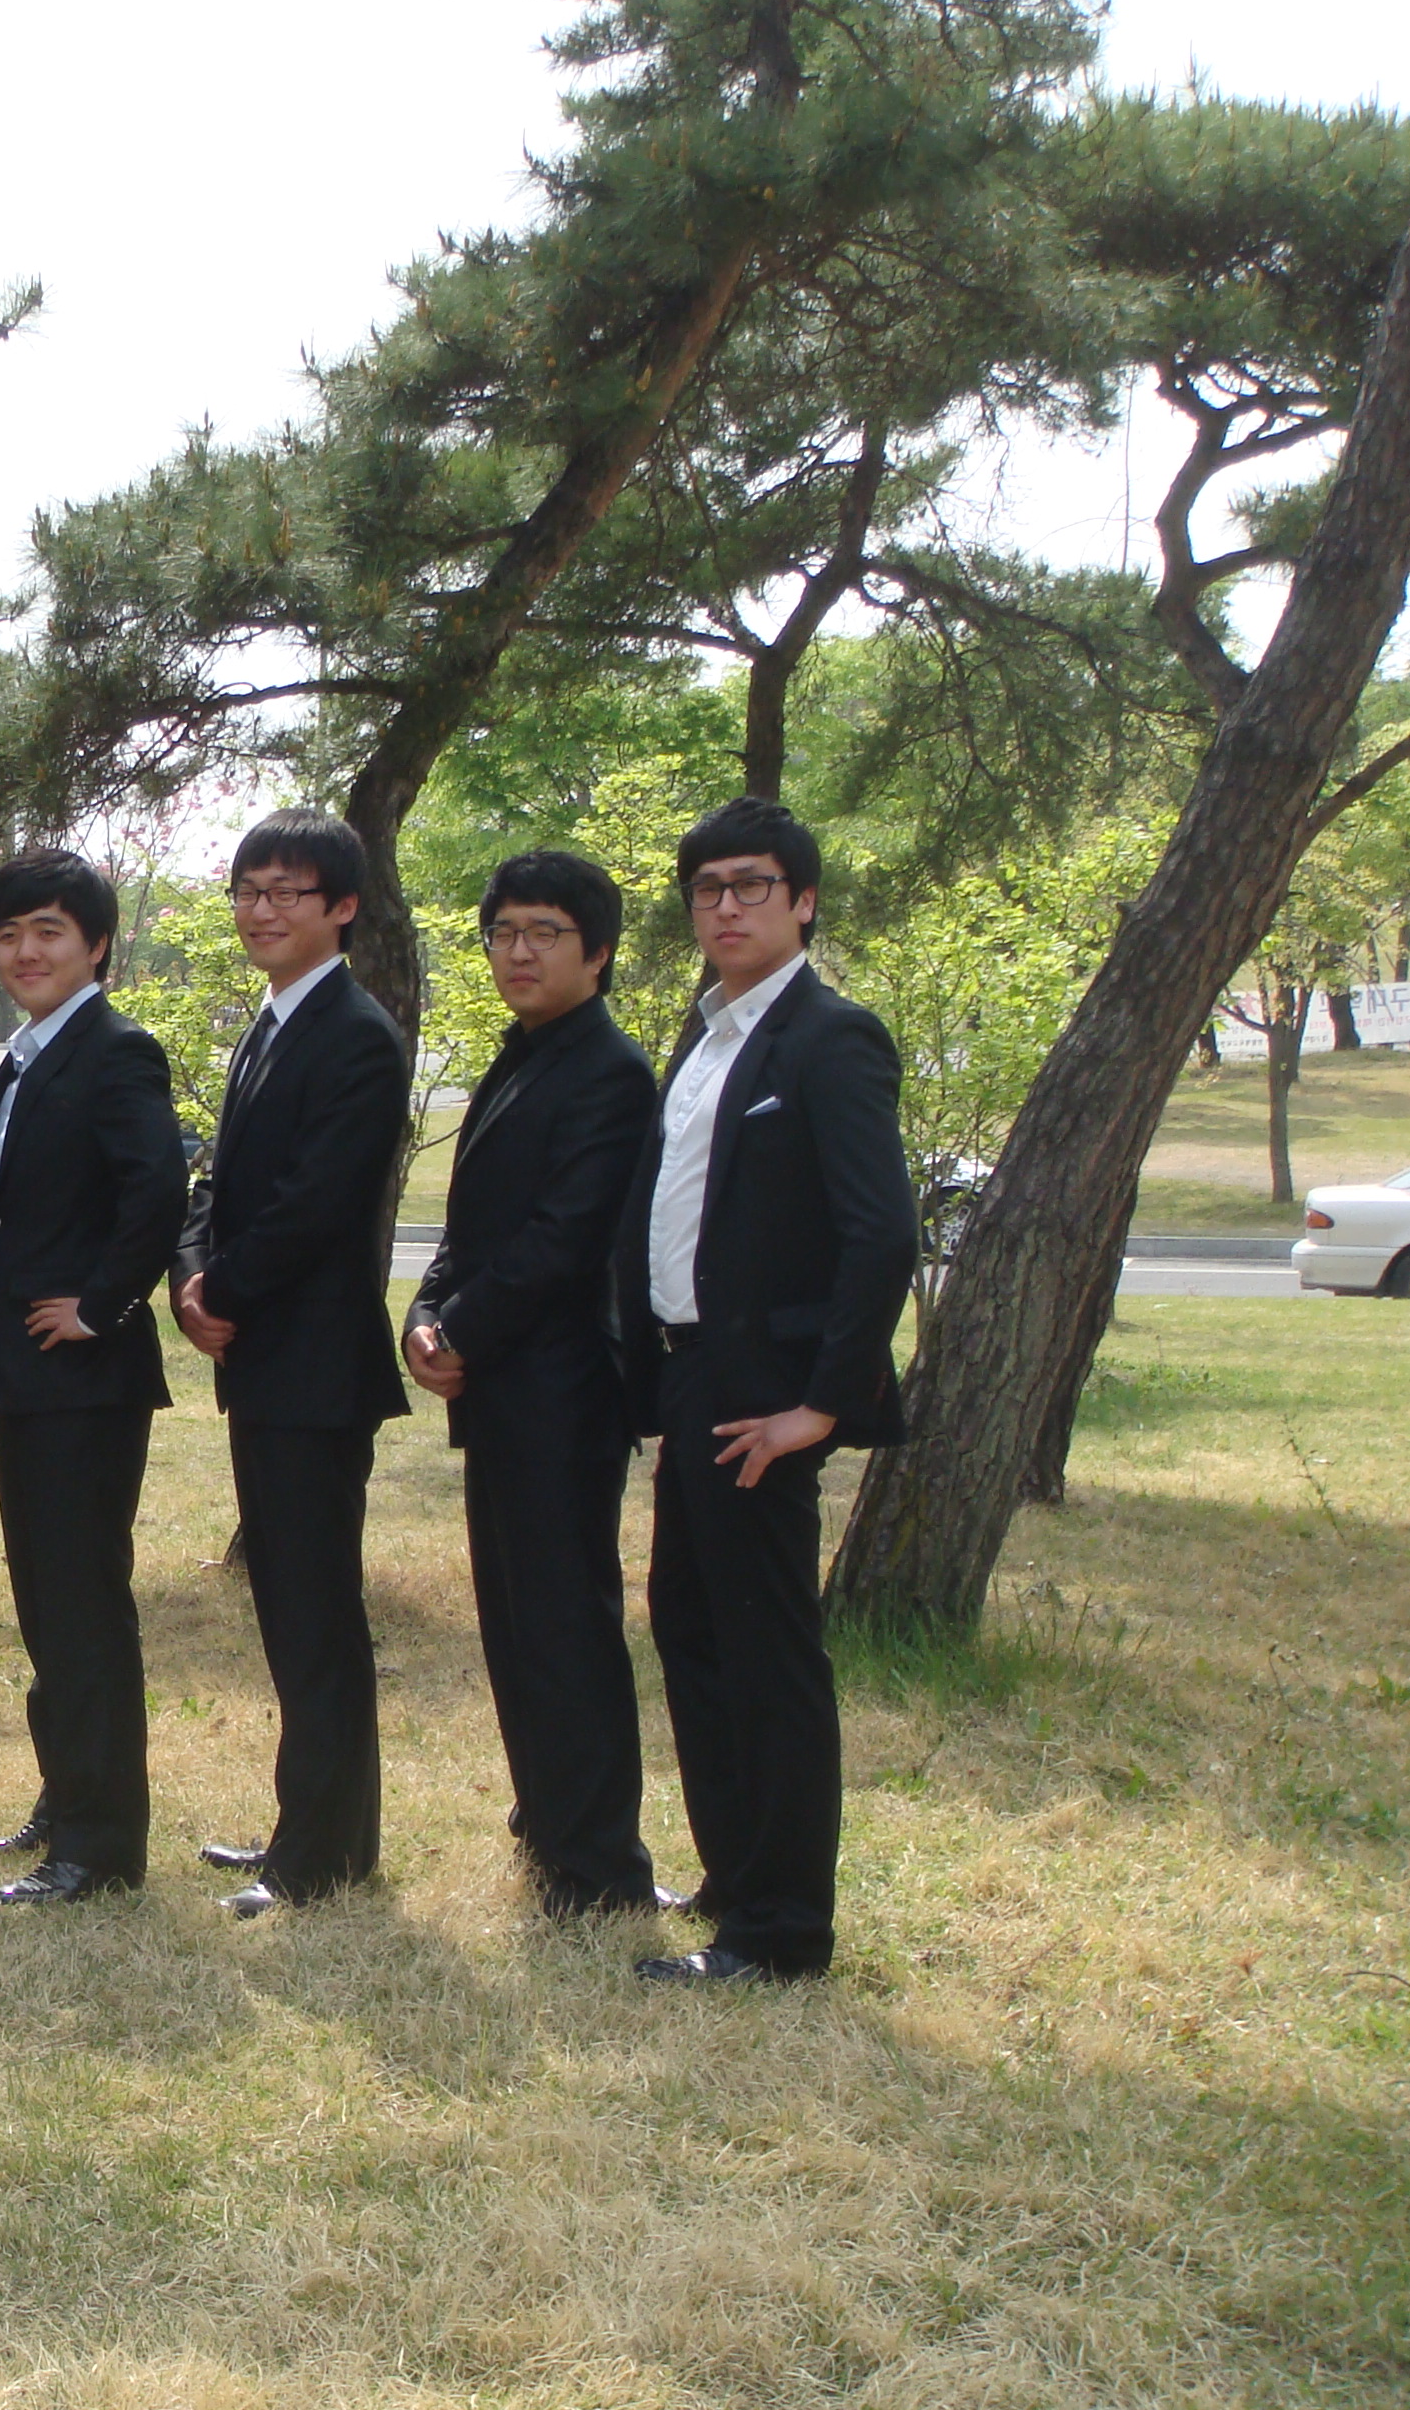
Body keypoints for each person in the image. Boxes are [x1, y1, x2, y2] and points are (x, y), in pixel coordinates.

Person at [615, 796, 912, 1985]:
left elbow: (881, 1233)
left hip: (766, 1394)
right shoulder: (706, 1038)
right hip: (692, 1378)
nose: (726, 907)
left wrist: (821, 1405)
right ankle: (737, 1879)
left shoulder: (831, 1038)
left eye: (751, 886)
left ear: (804, 901)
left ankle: (784, 1932)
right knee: (692, 1627)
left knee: (767, 1650)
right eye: (708, 891)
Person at [402, 851, 665, 1920]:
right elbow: (469, 1229)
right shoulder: (521, 1056)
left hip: (565, 1391)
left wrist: (460, 1328)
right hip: (500, 1388)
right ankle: (550, 1827)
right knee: (515, 1623)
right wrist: (425, 1318)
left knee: (564, 1627)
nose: (519, 951)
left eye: (544, 932)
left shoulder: (609, 1070)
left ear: (596, 953)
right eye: (504, 931)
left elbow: (565, 1239)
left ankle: (600, 1870)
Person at [172, 807, 409, 1920]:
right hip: (261, 1362)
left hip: (315, 1369)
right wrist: (190, 1277)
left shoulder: (356, 1034)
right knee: (287, 1606)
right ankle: (310, 1830)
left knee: (315, 1615)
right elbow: (218, 1186)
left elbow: (319, 1203)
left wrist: (223, 1289)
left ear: (343, 907)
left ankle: (321, 1857)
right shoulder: (268, 1023)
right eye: (247, 890)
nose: (260, 911)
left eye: (286, 892)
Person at [0, 850, 185, 1905]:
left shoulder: (117, 1049)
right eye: (8, 934)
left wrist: (102, 1305)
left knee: (83, 1605)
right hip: (29, 1374)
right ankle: (66, 1799)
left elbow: (157, 1190)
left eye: (48, 931)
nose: (25, 952)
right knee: (46, 1600)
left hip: (89, 1378)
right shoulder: (25, 1056)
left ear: (97, 946)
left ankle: (99, 1849)